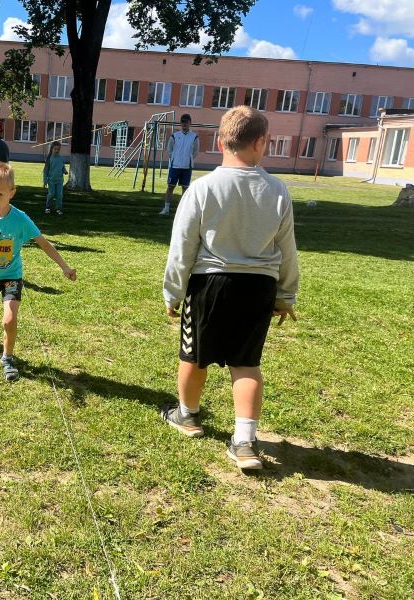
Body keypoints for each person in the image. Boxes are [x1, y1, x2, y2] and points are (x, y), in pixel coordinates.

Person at [160, 105, 299, 470]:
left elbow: (183, 247)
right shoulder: (277, 190)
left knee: (193, 356)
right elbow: (288, 248)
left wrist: (172, 293)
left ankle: (187, 415)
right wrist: (286, 294)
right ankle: (244, 442)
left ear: (220, 141)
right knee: (246, 364)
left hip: (210, 285)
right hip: (259, 289)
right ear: (261, 142)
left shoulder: (202, 188)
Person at [0, 162, 77, 381]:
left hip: (11, 277)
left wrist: (65, 267)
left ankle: (7, 357)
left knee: (9, 319)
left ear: (11, 193)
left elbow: (44, 243)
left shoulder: (20, 219)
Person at [160, 113, 199, 216]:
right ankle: (166, 209)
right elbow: (169, 149)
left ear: (190, 123)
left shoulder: (194, 137)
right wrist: (173, 158)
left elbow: (195, 151)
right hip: (175, 166)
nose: (184, 123)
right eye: (182, 121)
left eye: (186, 121)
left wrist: (189, 159)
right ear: (180, 123)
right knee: (170, 187)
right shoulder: (175, 135)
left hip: (187, 167)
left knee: (185, 189)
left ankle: (182, 211)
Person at [43, 141, 68, 215]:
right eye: (55, 149)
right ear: (52, 149)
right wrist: (45, 180)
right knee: (51, 194)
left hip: (60, 180)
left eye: (58, 149)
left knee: (59, 195)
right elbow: (45, 171)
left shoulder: (61, 158)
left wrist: (65, 171)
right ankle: (48, 207)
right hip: (51, 180)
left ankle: (58, 208)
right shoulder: (49, 159)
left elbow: (62, 166)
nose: (57, 151)